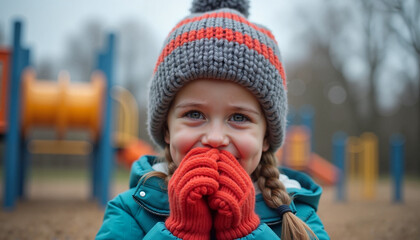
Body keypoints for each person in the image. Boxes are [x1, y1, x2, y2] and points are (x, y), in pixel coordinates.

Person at [96, 0, 330, 239]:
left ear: (266, 136)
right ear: (167, 129)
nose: (215, 139)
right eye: (194, 114)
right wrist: (181, 231)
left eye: (239, 117)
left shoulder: (296, 215)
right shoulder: (130, 211)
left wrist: (245, 231)